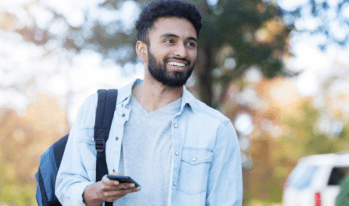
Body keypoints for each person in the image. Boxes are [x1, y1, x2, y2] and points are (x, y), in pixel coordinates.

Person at [55, 0, 243, 205]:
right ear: (142, 50)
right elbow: (66, 186)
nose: (182, 52)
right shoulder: (97, 109)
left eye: (190, 43)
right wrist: (97, 191)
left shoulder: (216, 128)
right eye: (170, 41)